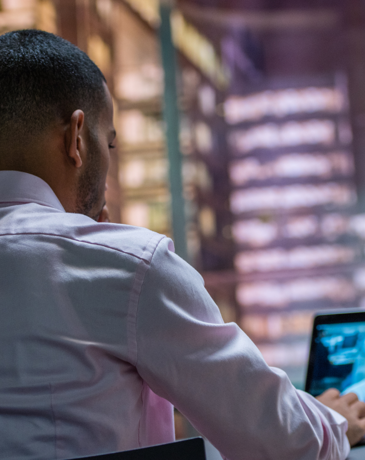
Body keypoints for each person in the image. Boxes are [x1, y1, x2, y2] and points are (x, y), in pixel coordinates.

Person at [0, 29, 364, 460]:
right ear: (76, 138)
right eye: (109, 142)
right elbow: (283, 443)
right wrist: (335, 422)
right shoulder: (125, 266)